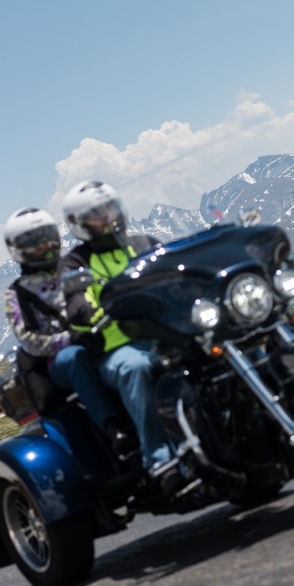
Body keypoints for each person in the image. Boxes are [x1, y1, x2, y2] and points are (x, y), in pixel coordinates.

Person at [59, 180, 196, 496]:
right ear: (80, 224)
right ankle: (160, 460)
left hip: (163, 334)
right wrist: (88, 312)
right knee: (136, 369)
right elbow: (75, 298)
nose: (107, 216)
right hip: (116, 348)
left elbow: (174, 270)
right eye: (96, 214)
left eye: (109, 207)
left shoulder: (142, 242)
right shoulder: (76, 261)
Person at [2, 206, 129, 451]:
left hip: (97, 336)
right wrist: (70, 339)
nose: (45, 245)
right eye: (35, 242)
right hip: (57, 361)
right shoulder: (15, 293)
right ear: (18, 249)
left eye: (48, 237)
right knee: (75, 357)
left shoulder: (73, 265)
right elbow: (27, 338)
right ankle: (113, 428)